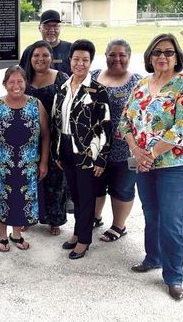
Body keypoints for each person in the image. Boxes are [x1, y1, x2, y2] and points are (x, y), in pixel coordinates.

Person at [118, 33, 183, 301]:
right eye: (157, 52)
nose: (162, 57)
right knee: (151, 213)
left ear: (177, 56)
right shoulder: (141, 86)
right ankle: (153, 257)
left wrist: (151, 153)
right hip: (143, 162)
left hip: (177, 164)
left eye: (168, 52)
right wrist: (135, 150)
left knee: (171, 219)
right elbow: (124, 122)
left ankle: (174, 275)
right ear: (149, 57)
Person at [51, 39, 111, 260]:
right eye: (76, 59)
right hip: (65, 147)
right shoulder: (63, 87)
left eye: (85, 60)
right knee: (75, 196)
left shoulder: (97, 90)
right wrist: (56, 152)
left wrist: (101, 159)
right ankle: (77, 233)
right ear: (70, 60)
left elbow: (105, 126)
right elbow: (57, 121)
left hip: (88, 152)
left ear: (90, 62)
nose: (80, 63)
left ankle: (84, 240)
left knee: (86, 197)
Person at [0, 65, 50, 252]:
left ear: (25, 83)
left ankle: (17, 234)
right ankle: (2, 236)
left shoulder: (36, 105)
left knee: (22, 200)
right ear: (5, 84)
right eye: (12, 82)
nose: (16, 86)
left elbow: (46, 135)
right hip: (1, 166)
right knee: (1, 200)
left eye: (20, 81)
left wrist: (43, 162)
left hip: (28, 166)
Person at [91, 39, 142, 242]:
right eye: (112, 54)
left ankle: (119, 226)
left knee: (122, 187)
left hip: (125, 147)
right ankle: (95, 217)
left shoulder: (137, 81)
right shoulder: (93, 76)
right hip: (96, 146)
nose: (117, 59)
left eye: (122, 55)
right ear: (105, 56)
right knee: (96, 185)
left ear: (129, 57)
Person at [22, 40, 69, 235]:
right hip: (28, 138)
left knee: (54, 179)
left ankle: (54, 219)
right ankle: (25, 216)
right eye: (36, 55)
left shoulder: (62, 78)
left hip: (55, 137)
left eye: (45, 55)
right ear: (30, 58)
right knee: (27, 179)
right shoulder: (23, 78)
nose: (40, 59)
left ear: (51, 57)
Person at [19, 10, 72, 75]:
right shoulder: (30, 51)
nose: (52, 30)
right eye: (47, 26)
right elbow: (22, 76)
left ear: (60, 28)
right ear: (39, 28)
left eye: (55, 26)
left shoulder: (70, 49)